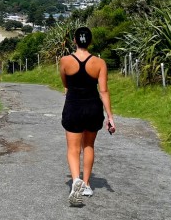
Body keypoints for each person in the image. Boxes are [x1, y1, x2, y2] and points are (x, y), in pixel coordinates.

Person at [59, 27, 115, 207]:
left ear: (74, 40)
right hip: (93, 108)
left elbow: (65, 82)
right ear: (90, 42)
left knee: (73, 148)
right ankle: (87, 184)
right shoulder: (99, 63)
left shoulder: (65, 61)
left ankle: (76, 180)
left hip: (73, 106)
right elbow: (104, 91)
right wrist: (110, 117)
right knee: (89, 145)